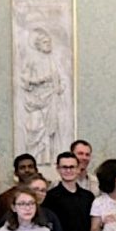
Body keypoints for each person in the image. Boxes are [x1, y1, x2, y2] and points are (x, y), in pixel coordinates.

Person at [20, 26, 69, 165]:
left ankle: (50, 160)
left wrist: (60, 87)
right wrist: (41, 79)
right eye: (45, 43)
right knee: (36, 128)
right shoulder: (31, 60)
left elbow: (61, 79)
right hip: (36, 100)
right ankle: (37, 160)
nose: (49, 45)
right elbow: (25, 81)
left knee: (51, 132)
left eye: (49, 42)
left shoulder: (53, 61)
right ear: (38, 45)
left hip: (52, 99)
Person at [0, 153, 38, 224]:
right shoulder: (5, 198)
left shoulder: (42, 194)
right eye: (22, 167)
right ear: (16, 173)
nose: (27, 170)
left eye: (30, 167)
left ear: (36, 170)